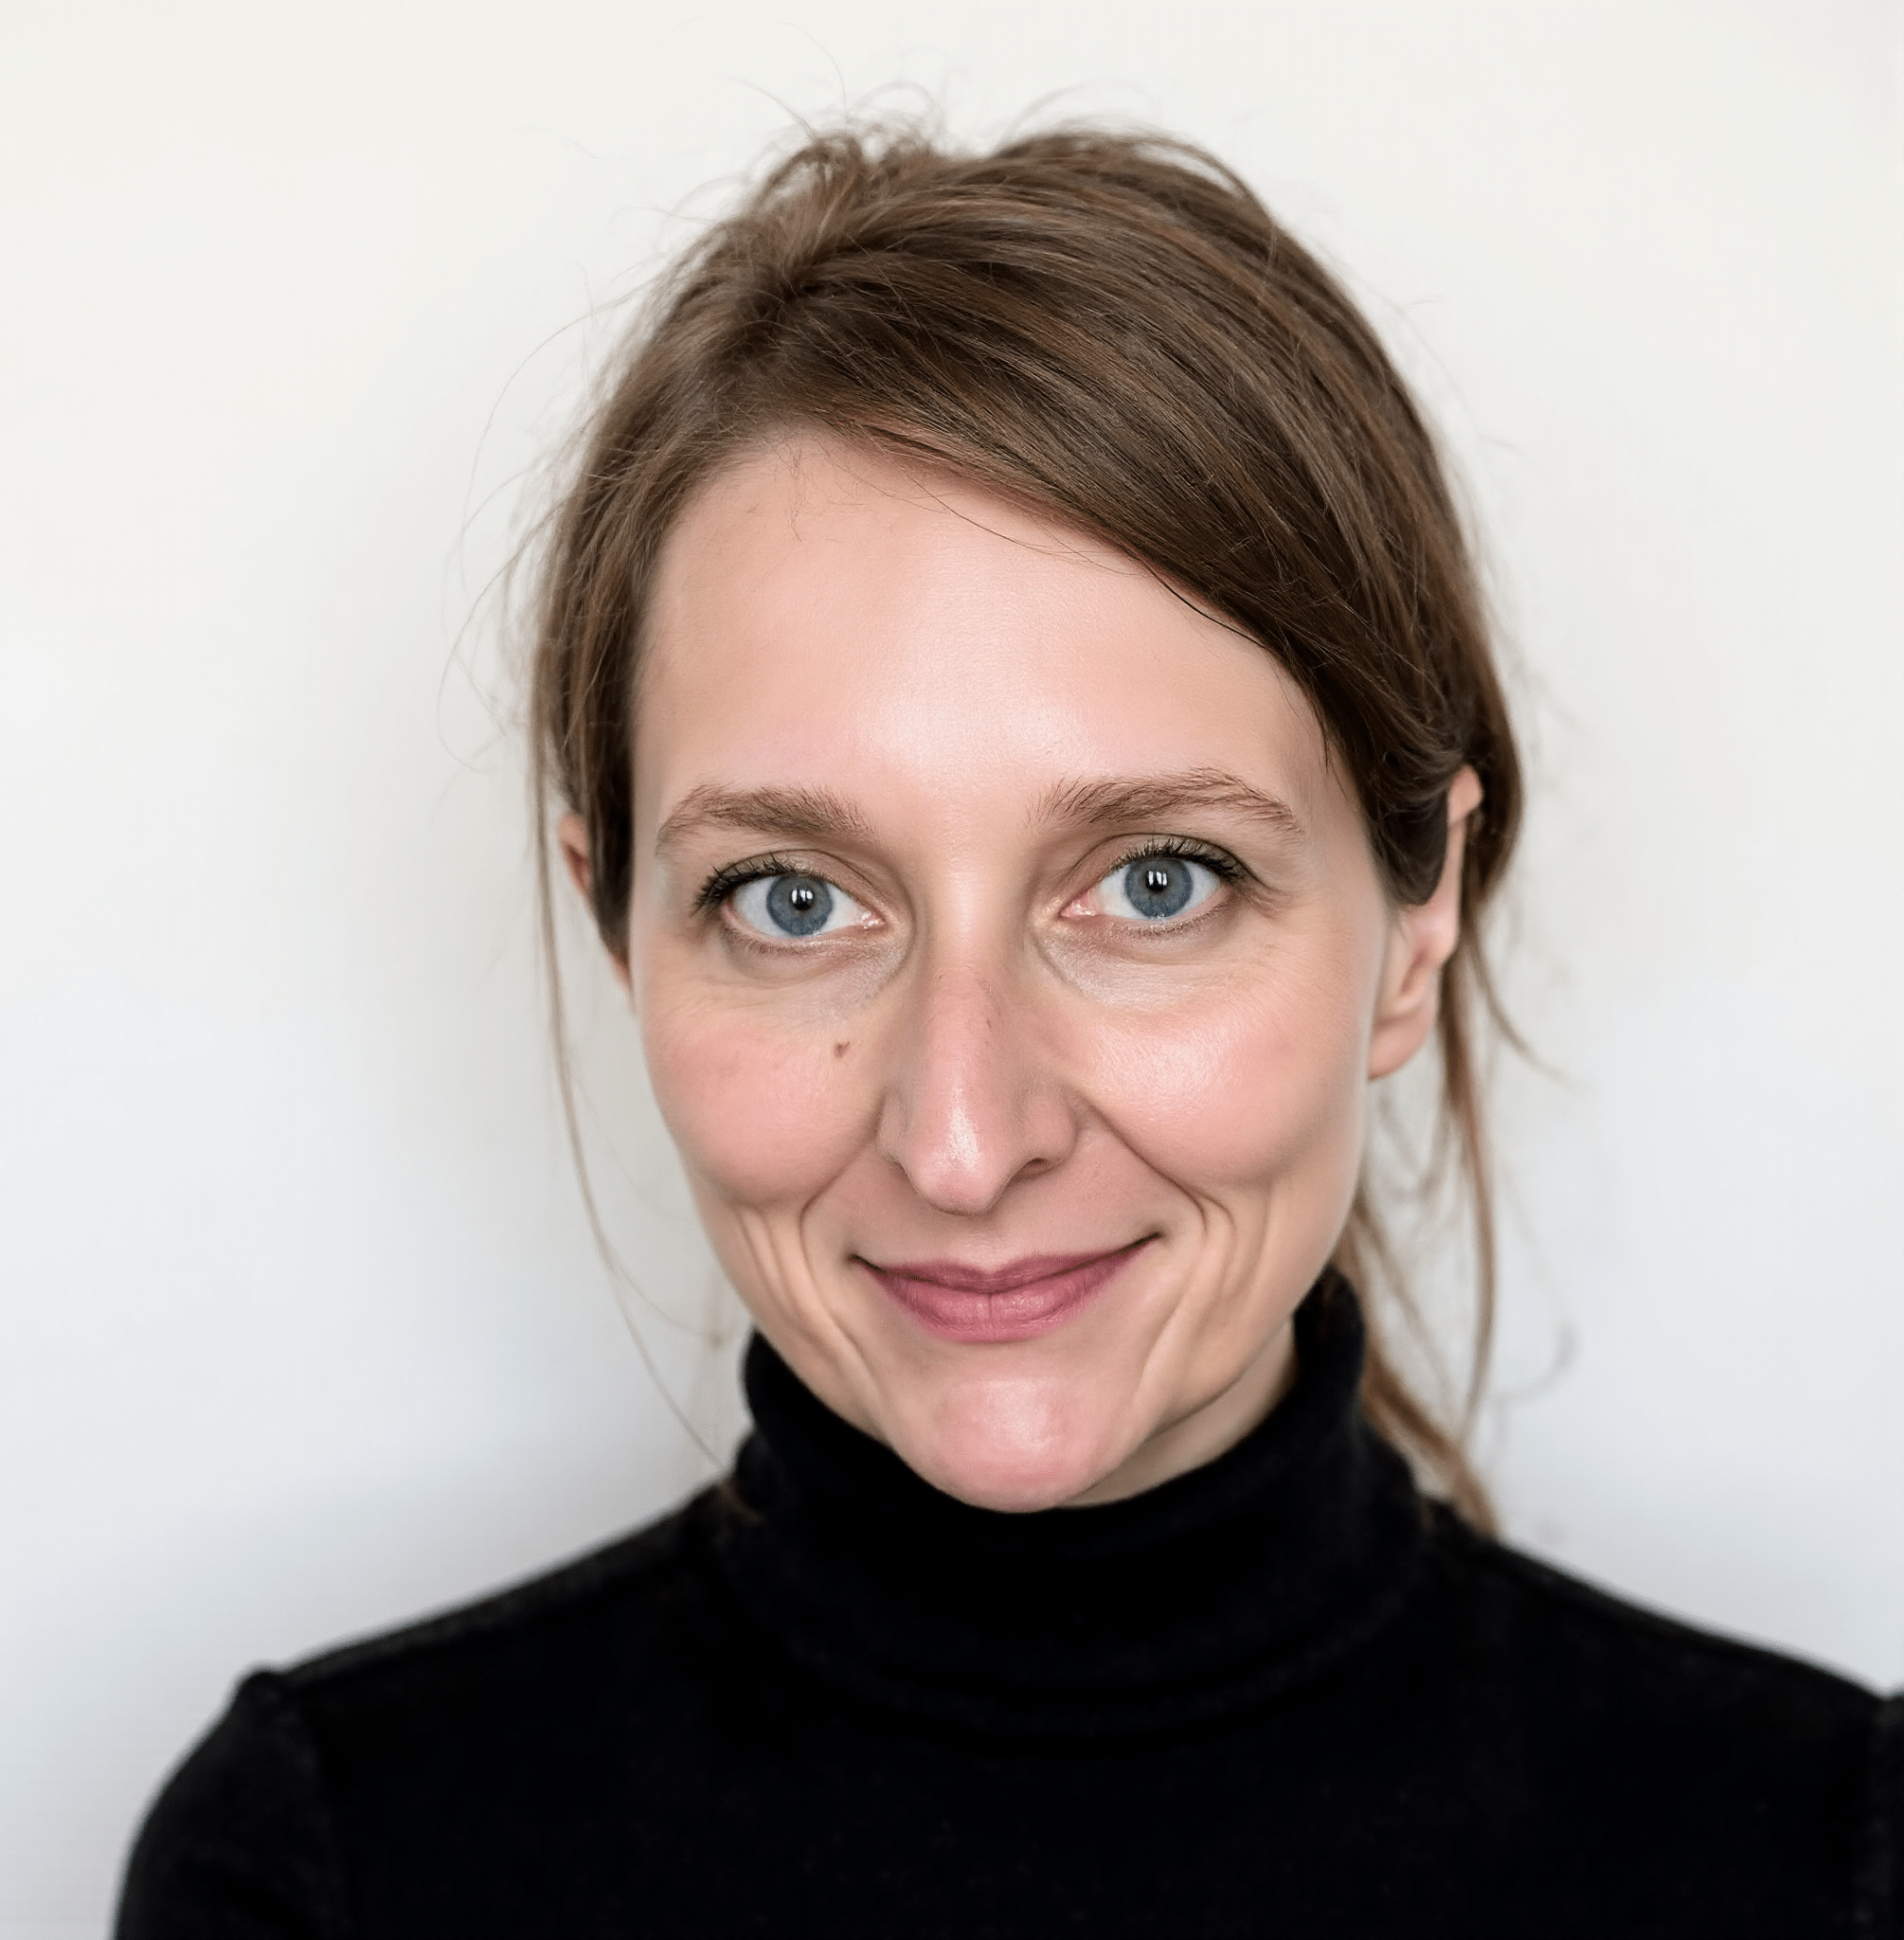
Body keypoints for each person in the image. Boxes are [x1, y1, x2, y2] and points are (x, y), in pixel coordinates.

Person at [117, 122, 1899, 1937]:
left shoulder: (1831, 1862)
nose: (965, 1141)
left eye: (1155, 884)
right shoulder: (325, 1871)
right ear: (620, 932)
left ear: (1413, 921)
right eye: (791, 901)